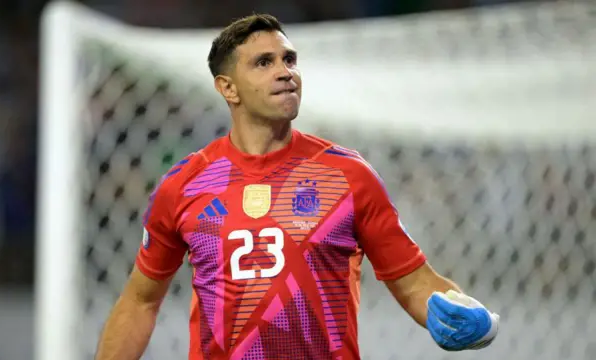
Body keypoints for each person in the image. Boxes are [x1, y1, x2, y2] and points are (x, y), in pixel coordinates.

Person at [95, 14, 499, 360]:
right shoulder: (184, 185)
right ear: (227, 88)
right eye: (263, 63)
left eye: (289, 59)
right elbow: (140, 300)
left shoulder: (348, 175)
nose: (285, 72)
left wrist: (465, 314)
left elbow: (413, 281)